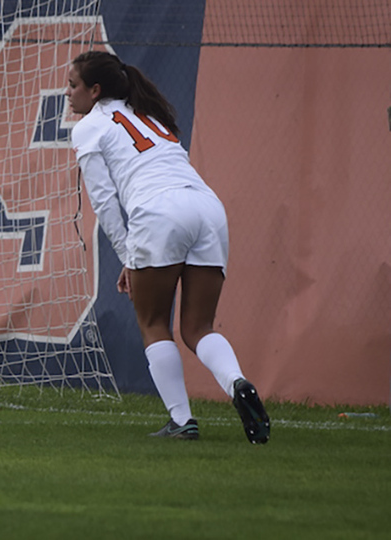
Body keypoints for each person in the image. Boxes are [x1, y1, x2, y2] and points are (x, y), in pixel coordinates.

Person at [66, 51, 269, 443]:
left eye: (72, 85)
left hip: (158, 212)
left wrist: (127, 255)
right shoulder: (149, 114)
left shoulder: (89, 127)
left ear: (95, 91)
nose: (67, 94)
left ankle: (182, 421)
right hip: (207, 208)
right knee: (198, 327)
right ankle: (238, 382)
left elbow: (105, 202)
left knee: (154, 324)